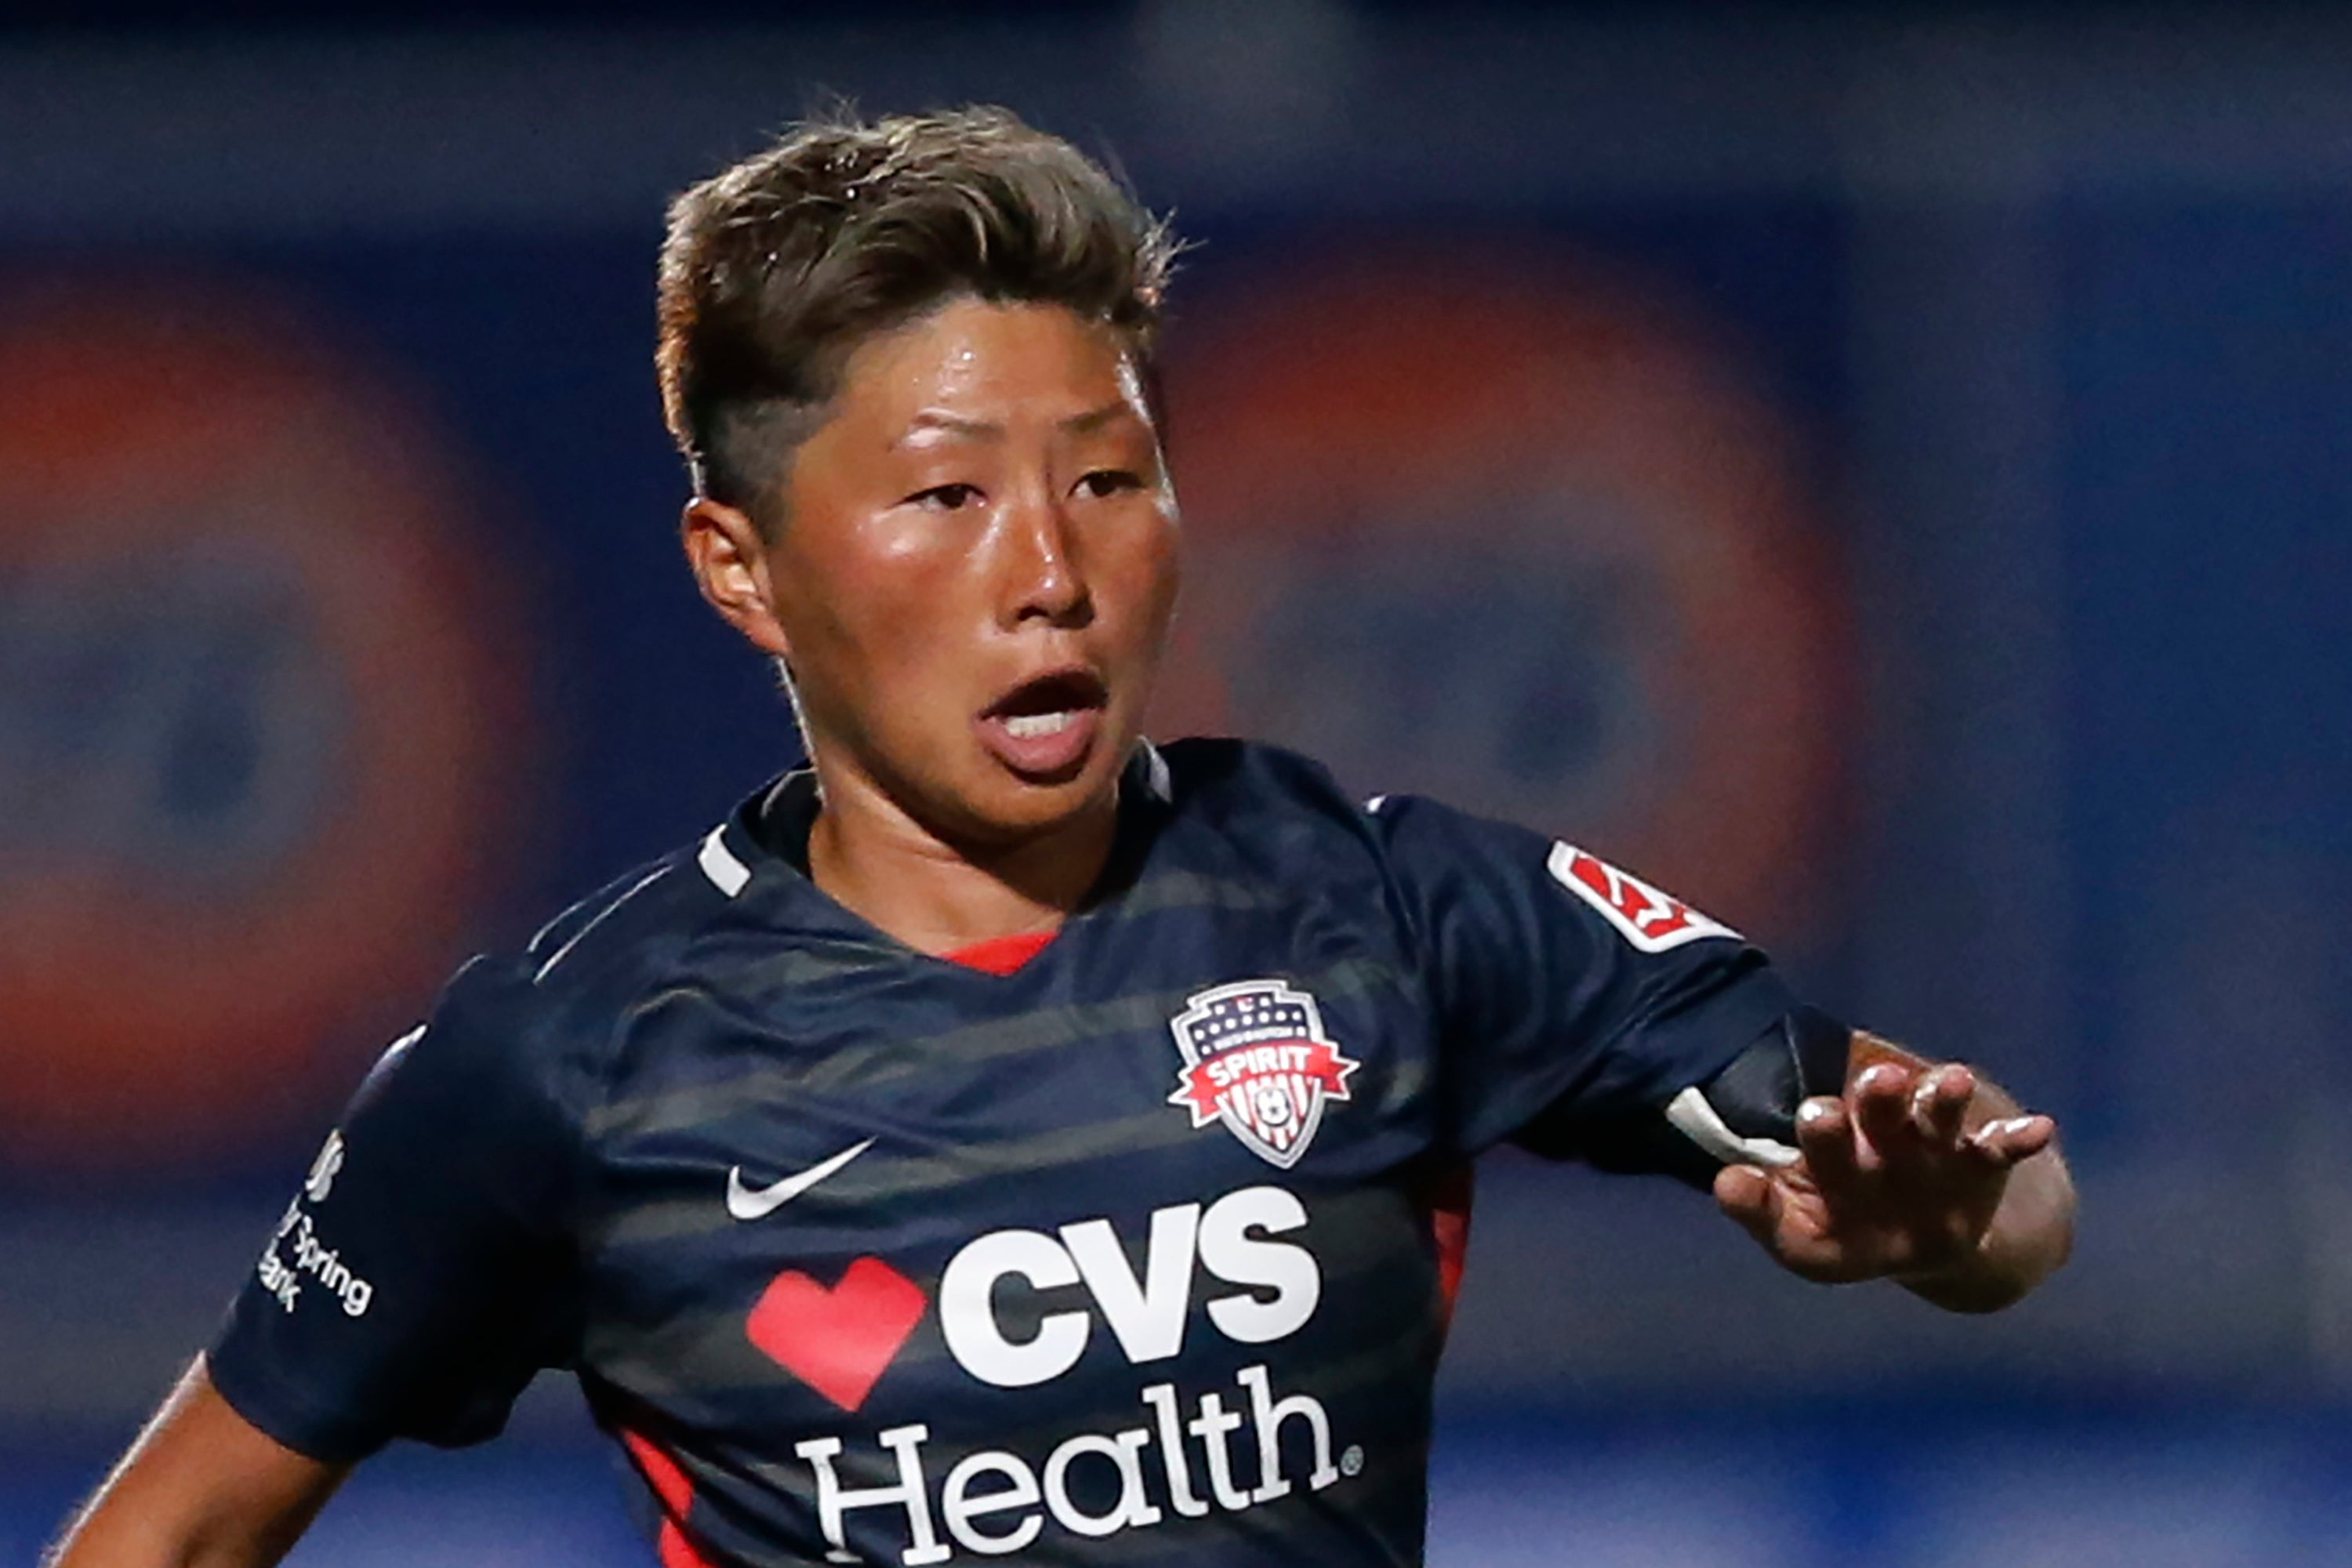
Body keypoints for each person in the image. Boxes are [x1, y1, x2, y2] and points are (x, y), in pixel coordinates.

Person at [47, 106, 2074, 1568]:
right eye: (945, 502)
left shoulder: (1373, 906)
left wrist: (1944, 1222)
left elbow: (1994, 1189)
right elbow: (173, 1531)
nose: (1053, 574)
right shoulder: (572, 1063)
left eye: (1112, 479)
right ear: (742, 573)